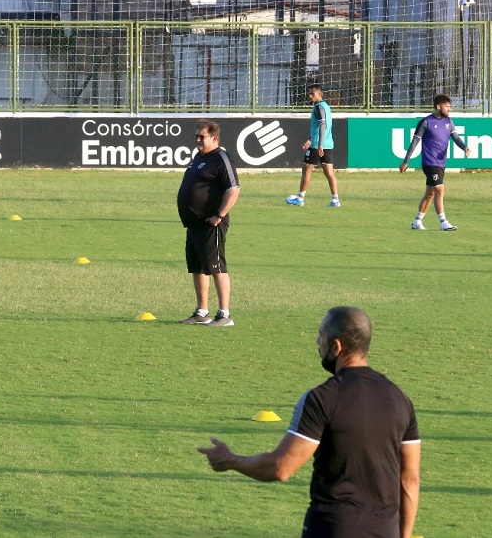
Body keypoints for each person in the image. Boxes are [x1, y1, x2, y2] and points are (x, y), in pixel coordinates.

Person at [198, 306, 420, 538]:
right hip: (385, 531)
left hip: (333, 528)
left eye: (321, 335)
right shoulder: (400, 399)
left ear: (336, 347)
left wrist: (232, 460)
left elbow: (281, 467)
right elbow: (410, 479)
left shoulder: (322, 398)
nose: (317, 341)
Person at [176, 120, 240, 327]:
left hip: (212, 223)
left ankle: (224, 315)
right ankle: (202, 312)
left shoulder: (221, 158)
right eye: (196, 136)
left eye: (201, 136)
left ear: (214, 138)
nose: (197, 140)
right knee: (198, 268)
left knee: (216, 268)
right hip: (194, 224)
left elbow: (233, 189)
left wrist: (219, 215)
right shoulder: (198, 157)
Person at [399, 93, 470, 231]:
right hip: (429, 162)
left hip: (441, 163)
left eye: (450, 107)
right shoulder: (426, 122)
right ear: (438, 107)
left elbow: (455, 138)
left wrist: (464, 147)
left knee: (430, 193)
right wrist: (406, 161)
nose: (449, 109)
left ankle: (417, 221)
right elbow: (414, 142)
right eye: (447, 106)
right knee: (440, 189)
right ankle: (443, 223)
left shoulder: (449, 122)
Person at [285, 85, 340, 208]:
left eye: (312, 94)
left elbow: (323, 125)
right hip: (328, 143)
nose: (310, 96)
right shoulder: (326, 106)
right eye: (309, 94)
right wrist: (310, 139)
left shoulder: (319, 107)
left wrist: (319, 144)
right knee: (329, 173)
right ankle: (335, 200)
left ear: (320, 95)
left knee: (306, 169)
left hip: (318, 145)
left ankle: (300, 198)